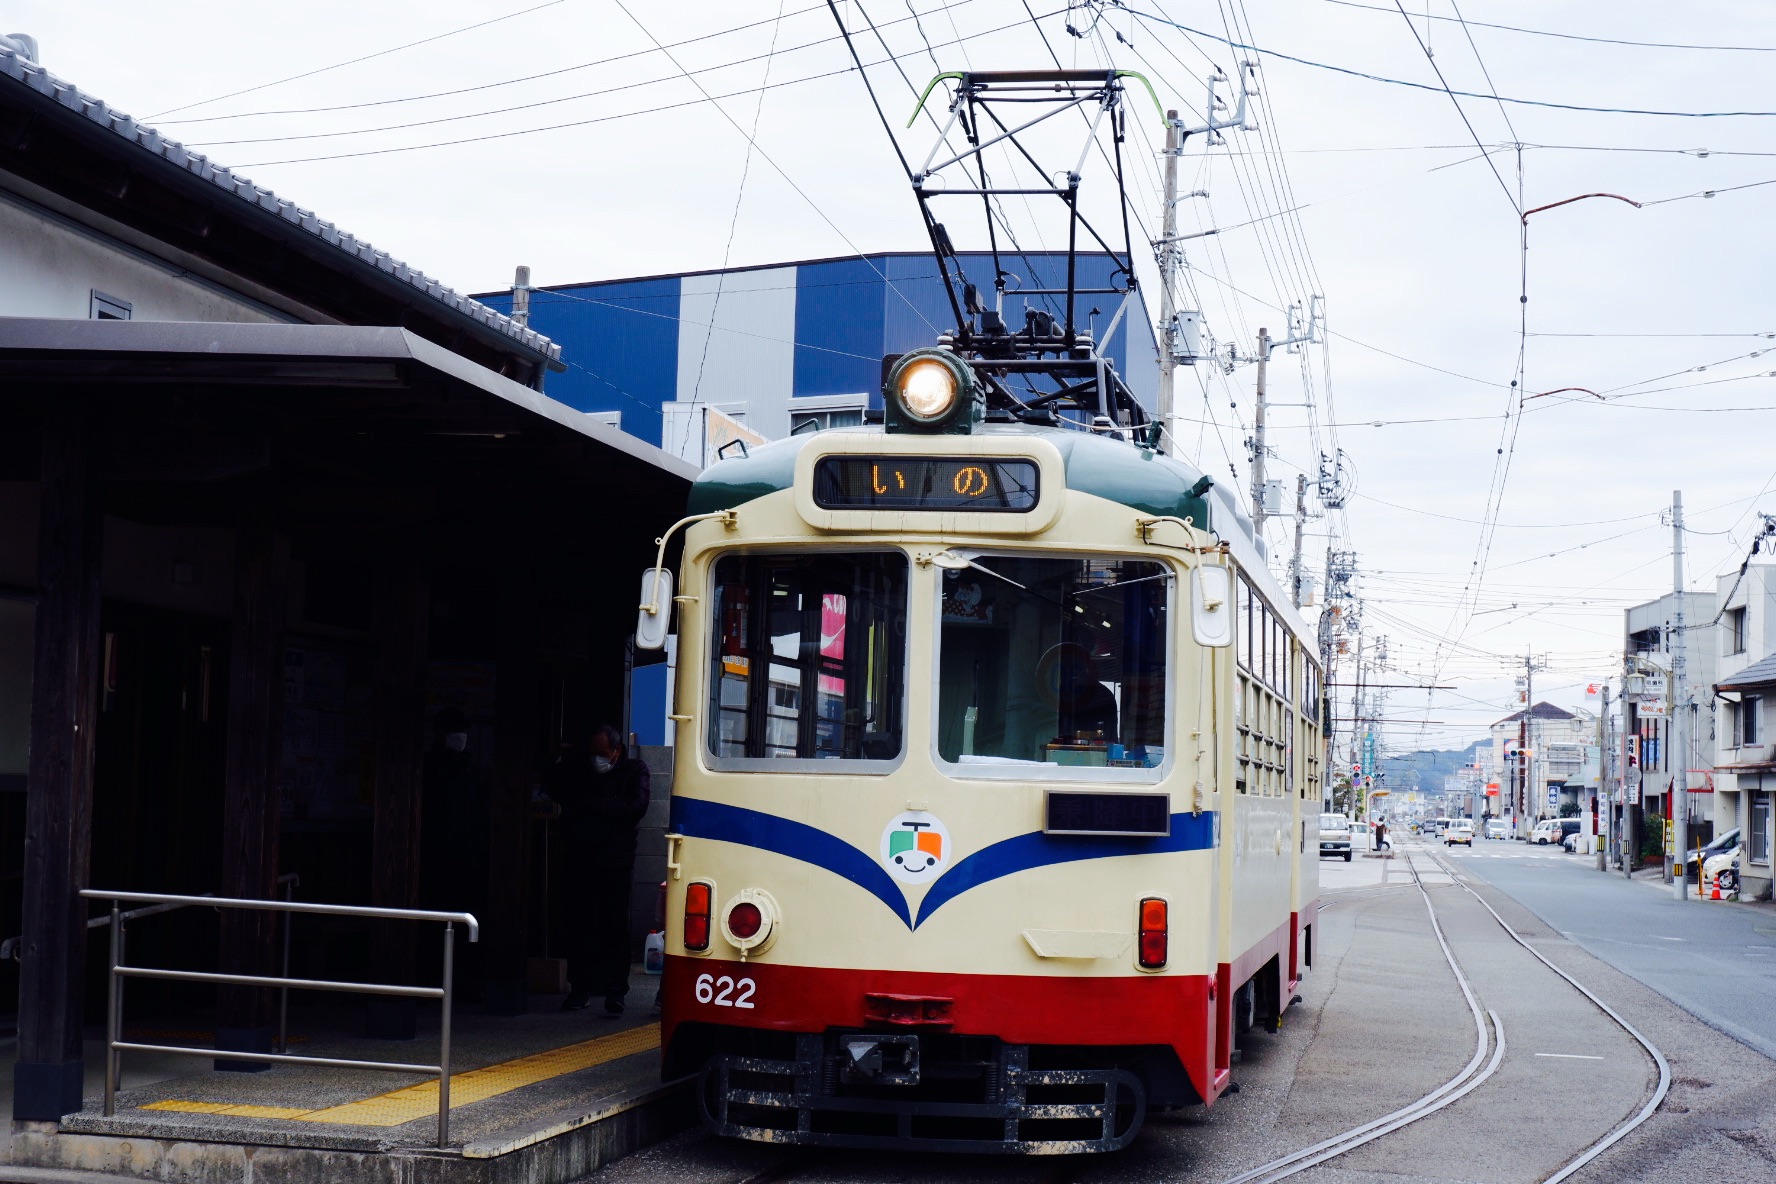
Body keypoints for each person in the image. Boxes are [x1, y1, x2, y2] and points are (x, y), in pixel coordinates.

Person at [547, 724, 650, 1015]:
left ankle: (616, 991)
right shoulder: (579, 771)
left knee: (615, 927)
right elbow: (561, 793)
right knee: (579, 926)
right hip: (581, 858)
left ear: (617, 751)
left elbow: (635, 807)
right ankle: (579, 988)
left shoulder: (634, 770)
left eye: (603, 754)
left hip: (616, 862)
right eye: (593, 754)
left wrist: (594, 805)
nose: (597, 760)